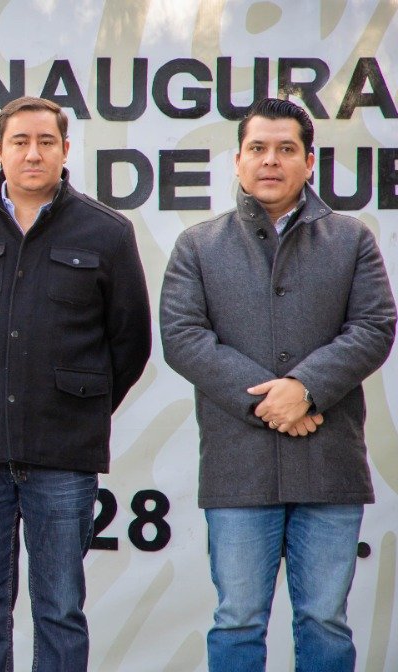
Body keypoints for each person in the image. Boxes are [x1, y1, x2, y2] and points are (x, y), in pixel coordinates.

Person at [0, 96, 152, 671]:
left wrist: (79, 404)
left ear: (66, 150)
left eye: (46, 141)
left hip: (64, 450)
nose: (33, 153)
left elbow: (130, 342)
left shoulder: (107, 232)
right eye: (20, 142)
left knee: (60, 608)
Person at [160, 97, 395, 671]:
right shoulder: (198, 245)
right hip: (239, 468)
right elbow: (183, 337)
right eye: (258, 148)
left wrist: (306, 388)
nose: (271, 160)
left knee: (325, 622)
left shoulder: (351, 239)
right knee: (237, 621)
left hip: (329, 464)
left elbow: (374, 326)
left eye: (286, 149)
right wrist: (274, 401)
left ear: (309, 162)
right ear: (238, 161)